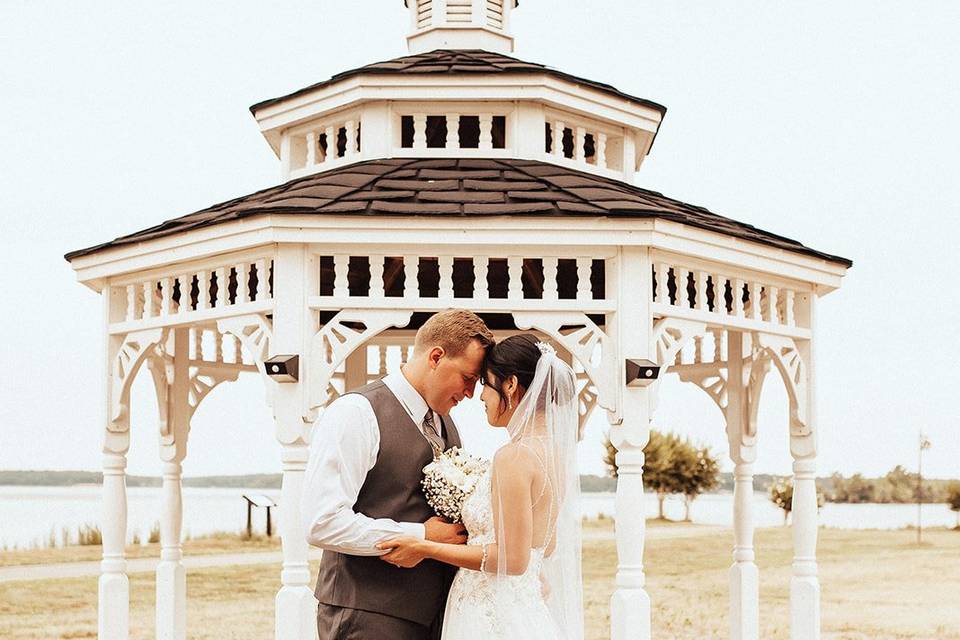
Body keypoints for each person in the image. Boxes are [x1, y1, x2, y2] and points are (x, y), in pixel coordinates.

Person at [301, 309, 496, 640]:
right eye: (467, 379)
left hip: (434, 615)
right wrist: (421, 535)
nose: (470, 394)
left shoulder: (446, 423)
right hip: (367, 615)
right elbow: (321, 522)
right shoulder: (356, 413)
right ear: (436, 357)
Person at [377, 334, 584, 640]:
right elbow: (544, 546)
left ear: (510, 385)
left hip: (489, 612)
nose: (480, 396)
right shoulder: (555, 455)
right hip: (522, 604)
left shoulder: (514, 456)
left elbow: (512, 560)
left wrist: (424, 547)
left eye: (486, 383)